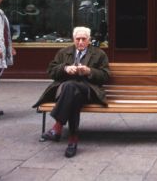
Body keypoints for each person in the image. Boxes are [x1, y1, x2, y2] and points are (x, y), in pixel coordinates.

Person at [33, 26, 110, 158]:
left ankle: (57, 127)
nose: (80, 42)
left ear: (89, 40)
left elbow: (105, 76)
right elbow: (51, 71)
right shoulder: (64, 52)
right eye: (78, 39)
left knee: (71, 88)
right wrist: (65, 68)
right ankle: (72, 139)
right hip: (65, 90)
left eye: (83, 39)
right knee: (73, 93)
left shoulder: (99, 54)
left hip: (89, 89)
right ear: (73, 39)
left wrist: (89, 71)